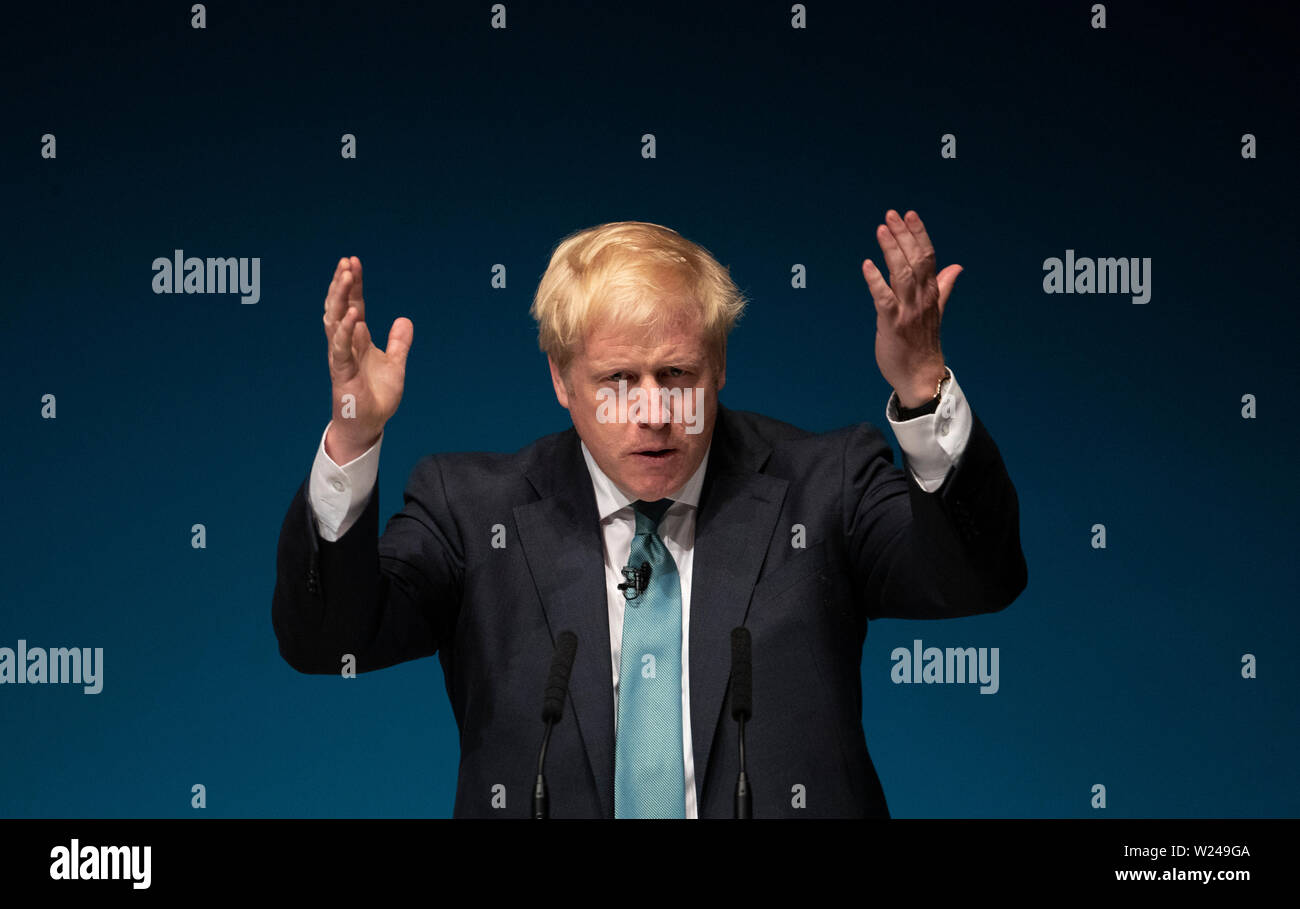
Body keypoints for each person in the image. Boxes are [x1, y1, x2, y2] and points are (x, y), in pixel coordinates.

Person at [271, 210, 1028, 818]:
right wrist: (354, 432)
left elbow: (975, 580)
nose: (653, 413)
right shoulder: (473, 511)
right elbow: (329, 638)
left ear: (721, 364)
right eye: (616, 380)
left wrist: (925, 387)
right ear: (561, 379)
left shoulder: (823, 485)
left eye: (676, 375)